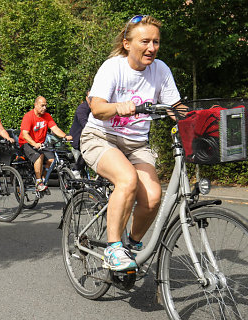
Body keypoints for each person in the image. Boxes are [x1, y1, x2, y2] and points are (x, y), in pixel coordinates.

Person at [80, 15, 182, 271]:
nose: (152, 48)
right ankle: (113, 249)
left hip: (136, 144)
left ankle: (133, 244)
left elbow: (175, 107)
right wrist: (118, 107)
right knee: (127, 179)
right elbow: (97, 107)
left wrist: (196, 119)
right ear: (127, 43)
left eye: (156, 42)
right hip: (100, 137)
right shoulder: (113, 67)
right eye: (145, 41)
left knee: (153, 197)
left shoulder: (161, 70)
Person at [18, 96, 72, 192]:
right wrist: (34, 143)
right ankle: (38, 182)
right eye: (42, 105)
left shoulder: (47, 116)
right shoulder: (29, 116)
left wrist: (65, 136)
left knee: (52, 160)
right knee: (39, 156)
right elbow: (24, 134)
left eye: (45, 106)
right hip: (26, 143)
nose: (44, 108)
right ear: (35, 105)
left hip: (40, 143)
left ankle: (43, 178)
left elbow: (55, 128)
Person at [69, 91, 91, 179]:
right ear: (86, 98)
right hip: (78, 139)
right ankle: (75, 170)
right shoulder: (82, 109)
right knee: (87, 151)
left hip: (88, 137)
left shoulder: (97, 108)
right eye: (90, 98)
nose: (92, 100)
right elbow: (84, 124)